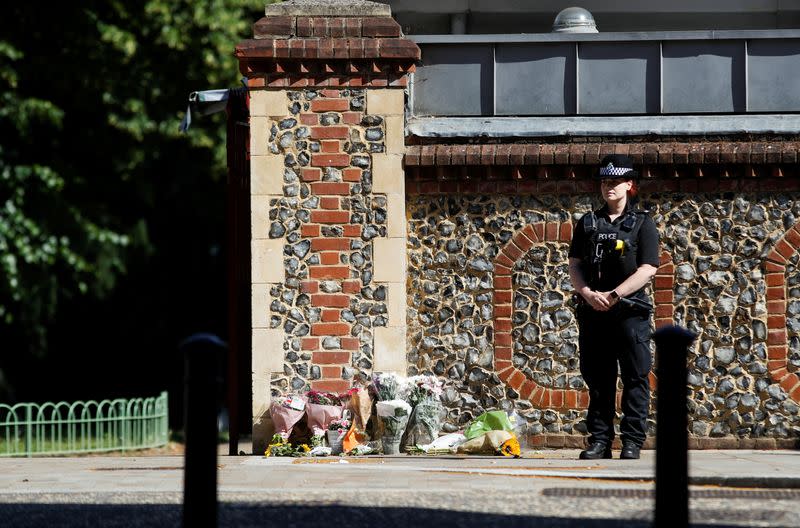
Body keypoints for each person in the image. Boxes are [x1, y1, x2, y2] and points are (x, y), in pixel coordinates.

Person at [568, 154, 660, 460]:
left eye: (615, 182)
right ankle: (600, 440)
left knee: (635, 377)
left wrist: (615, 295)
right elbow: (575, 264)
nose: (609, 187)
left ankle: (632, 441)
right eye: (605, 181)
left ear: (629, 185)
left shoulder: (642, 223)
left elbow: (648, 268)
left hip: (629, 312)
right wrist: (586, 293)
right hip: (594, 312)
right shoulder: (588, 223)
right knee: (598, 379)